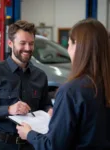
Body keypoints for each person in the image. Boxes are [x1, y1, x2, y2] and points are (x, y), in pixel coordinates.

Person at [16, 18, 110, 150]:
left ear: (77, 46)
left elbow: (54, 146)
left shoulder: (71, 91)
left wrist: (29, 134)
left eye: (69, 44)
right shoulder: (103, 83)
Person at [0, 20, 53, 150]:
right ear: (10, 43)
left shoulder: (40, 76)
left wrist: (50, 110)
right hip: (1, 144)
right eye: (22, 43)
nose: (28, 48)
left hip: (31, 144)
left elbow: (45, 104)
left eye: (31, 44)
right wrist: (8, 110)